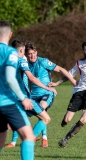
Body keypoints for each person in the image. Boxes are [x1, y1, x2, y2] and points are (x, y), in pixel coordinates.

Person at [5, 39, 56, 148]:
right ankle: (30, 138)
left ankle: (24, 140)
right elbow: (32, 78)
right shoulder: (22, 61)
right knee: (46, 118)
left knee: (12, 123)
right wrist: (47, 87)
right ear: (22, 50)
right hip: (24, 98)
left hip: (11, 98)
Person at [25, 42, 76, 147]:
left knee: (42, 109)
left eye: (34, 53)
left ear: (36, 52)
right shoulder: (25, 64)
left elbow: (61, 69)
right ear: (26, 54)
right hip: (33, 95)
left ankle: (31, 138)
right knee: (27, 115)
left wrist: (73, 81)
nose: (32, 55)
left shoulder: (43, 61)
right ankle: (43, 138)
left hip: (46, 93)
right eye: (29, 53)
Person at [0, 20, 35, 159]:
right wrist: (23, 98)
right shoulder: (10, 52)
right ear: (10, 34)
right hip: (6, 102)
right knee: (29, 137)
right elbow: (10, 78)